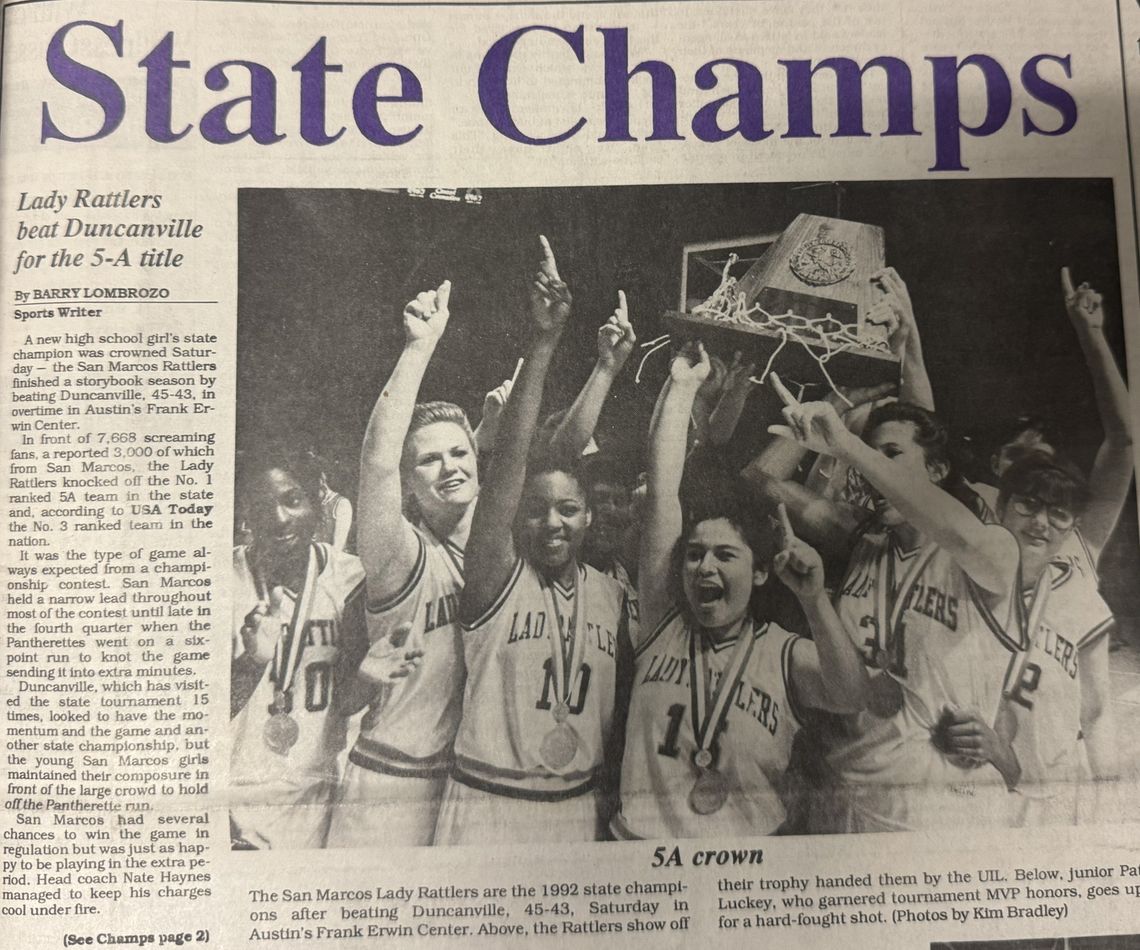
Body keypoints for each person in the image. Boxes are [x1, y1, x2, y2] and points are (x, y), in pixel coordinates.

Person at [610, 344, 869, 839]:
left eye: (725, 555)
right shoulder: (663, 622)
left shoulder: (783, 652)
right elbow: (664, 495)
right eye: (694, 554)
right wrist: (683, 386)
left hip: (742, 863)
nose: (705, 566)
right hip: (642, 852)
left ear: (761, 572)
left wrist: (814, 600)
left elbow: (851, 695)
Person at [434, 237, 629, 844]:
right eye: (536, 511)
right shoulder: (496, 574)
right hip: (485, 805)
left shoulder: (613, 596)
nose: (552, 523)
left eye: (568, 510)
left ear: (589, 517)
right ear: (514, 519)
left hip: (575, 807)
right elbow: (511, 466)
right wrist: (544, 342)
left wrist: (607, 368)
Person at [760, 390, 1026, 833]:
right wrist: (834, 405)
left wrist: (850, 446)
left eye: (891, 454)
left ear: (937, 470)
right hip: (845, 796)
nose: (872, 470)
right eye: (871, 455)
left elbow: (965, 537)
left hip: (940, 812)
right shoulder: (860, 539)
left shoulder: (990, 548)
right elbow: (761, 479)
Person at [327, 280, 477, 848]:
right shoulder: (402, 554)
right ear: (410, 485)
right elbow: (377, 464)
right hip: (390, 782)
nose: (450, 467)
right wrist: (418, 348)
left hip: (467, 785)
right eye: (429, 460)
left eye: (459, 452)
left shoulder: (500, 551)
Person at [943, 455, 1119, 825]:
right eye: (1028, 504)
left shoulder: (1081, 599)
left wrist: (1110, 797)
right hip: (963, 783)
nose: (1040, 522)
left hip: (1048, 795)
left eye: (1059, 513)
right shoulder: (954, 576)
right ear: (1001, 506)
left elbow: (1097, 712)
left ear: (1072, 527)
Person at [229, 448, 370, 849]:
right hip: (236, 807)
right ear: (246, 515)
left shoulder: (351, 579)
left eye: (292, 500)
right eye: (262, 507)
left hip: (319, 804)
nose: (279, 519)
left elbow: (349, 700)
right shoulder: (224, 579)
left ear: (316, 502)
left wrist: (370, 675)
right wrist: (252, 662)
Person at [313, 457, 353, 551]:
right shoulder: (312, 505)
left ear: (321, 480)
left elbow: (338, 547)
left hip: (332, 558)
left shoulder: (341, 504)